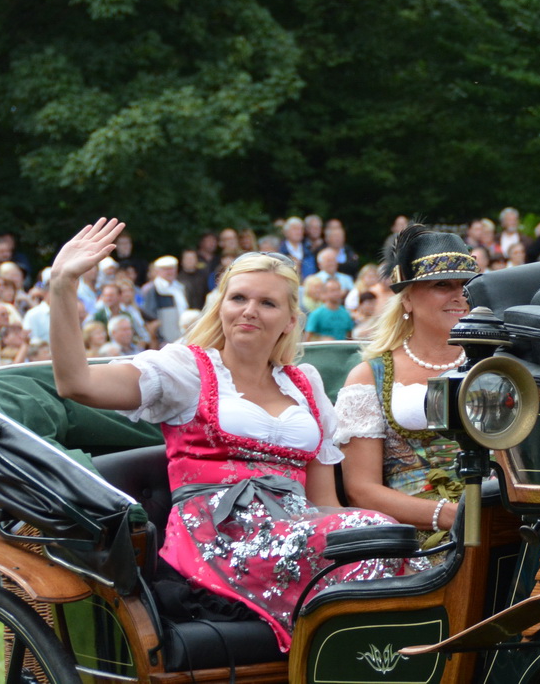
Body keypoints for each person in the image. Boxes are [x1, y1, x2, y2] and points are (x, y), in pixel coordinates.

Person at [45, 218, 406, 652]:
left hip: (297, 527)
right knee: (371, 529)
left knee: (378, 535)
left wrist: (338, 533)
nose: (250, 310)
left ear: (290, 321)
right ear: (221, 307)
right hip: (218, 535)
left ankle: (353, 657)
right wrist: (63, 285)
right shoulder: (186, 371)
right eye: (238, 298)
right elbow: (76, 383)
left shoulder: (305, 384)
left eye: (267, 303)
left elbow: (323, 502)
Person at [336, 225, 477, 539]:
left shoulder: (497, 364)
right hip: (418, 535)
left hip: (503, 523)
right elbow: (361, 490)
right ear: (407, 300)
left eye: (466, 285)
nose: (459, 295)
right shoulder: (369, 376)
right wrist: (450, 515)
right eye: (443, 284)